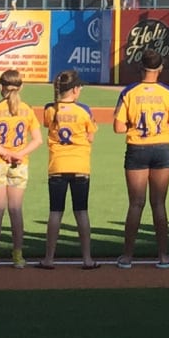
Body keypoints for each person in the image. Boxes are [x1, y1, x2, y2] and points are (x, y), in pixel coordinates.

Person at [114, 53, 169, 269]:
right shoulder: (168, 93)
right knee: (159, 204)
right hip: (161, 148)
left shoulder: (129, 92)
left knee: (136, 203)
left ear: (140, 67)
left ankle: (127, 257)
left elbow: (118, 127)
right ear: (160, 68)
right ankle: (162, 256)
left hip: (137, 147)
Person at [0, 69, 42, 269]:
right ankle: (18, 256)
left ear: (1, 87)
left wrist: (5, 153)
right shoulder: (27, 109)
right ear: (21, 86)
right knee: (15, 209)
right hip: (20, 163)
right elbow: (38, 140)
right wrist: (18, 154)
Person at [37, 69, 97, 270]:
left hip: (57, 166)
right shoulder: (84, 110)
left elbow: (49, 124)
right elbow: (90, 136)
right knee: (81, 212)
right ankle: (87, 258)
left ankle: (49, 258)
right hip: (80, 166)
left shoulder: (50, 109)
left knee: (55, 212)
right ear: (74, 90)